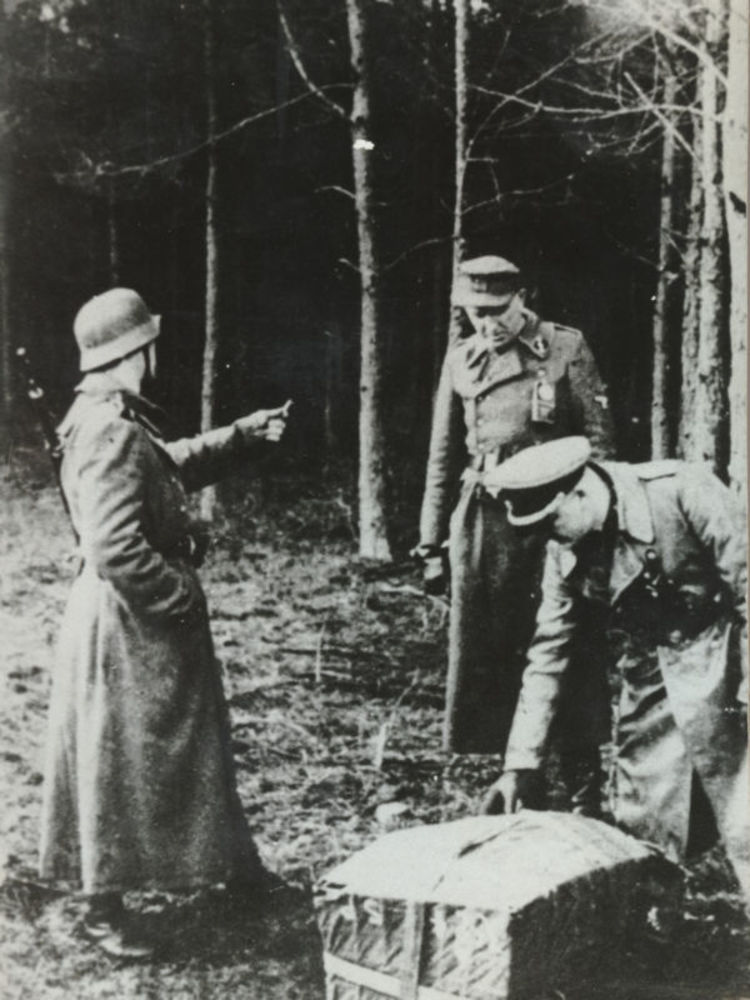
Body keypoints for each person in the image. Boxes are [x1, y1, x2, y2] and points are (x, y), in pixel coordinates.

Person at [38, 288, 291, 959]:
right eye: (149, 347)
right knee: (120, 760)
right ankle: (102, 907)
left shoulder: (106, 414)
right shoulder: (112, 428)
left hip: (125, 615)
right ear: (136, 352)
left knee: (183, 749)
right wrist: (179, 597)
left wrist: (241, 436)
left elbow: (165, 466)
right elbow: (114, 544)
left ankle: (235, 872)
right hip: (132, 623)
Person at [481, 437, 749, 902]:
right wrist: (520, 763)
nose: (551, 539)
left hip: (728, 663)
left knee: (746, 818)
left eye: (553, 523)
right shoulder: (566, 551)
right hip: (652, 678)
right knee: (644, 828)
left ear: (581, 494)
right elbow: (549, 653)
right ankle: (656, 924)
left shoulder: (681, 490)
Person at [415, 254, 614, 810]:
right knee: (492, 649)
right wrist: (431, 545)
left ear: (521, 298)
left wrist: (594, 524)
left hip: (555, 520)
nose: (487, 323)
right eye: (475, 312)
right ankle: (518, 785)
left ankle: (582, 784)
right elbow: (441, 457)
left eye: (497, 310)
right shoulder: (462, 360)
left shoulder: (564, 348)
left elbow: (600, 446)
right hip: (486, 522)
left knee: (567, 646)